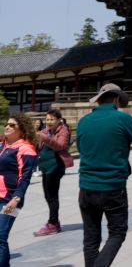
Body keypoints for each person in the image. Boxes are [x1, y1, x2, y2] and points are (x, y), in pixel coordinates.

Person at [77, 83, 132, 267]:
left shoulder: (84, 121)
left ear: (99, 99)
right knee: (117, 233)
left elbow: (81, 148)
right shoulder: (122, 119)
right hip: (112, 186)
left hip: (86, 187)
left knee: (91, 238)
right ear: (117, 99)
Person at [0, 113, 37, 267]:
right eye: (7, 124)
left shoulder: (26, 149)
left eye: (12, 125)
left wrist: (16, 198)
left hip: (11, 200)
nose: (8, 126)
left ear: (21, 129)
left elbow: (25, 178)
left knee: (0, 236)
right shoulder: (3, 146)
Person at [34, 108, 74, 237]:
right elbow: (39, 146)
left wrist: (44, 138)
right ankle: (54, 222)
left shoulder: (63, 131)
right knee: (48, 195)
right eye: (47, 119)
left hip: (56, 167)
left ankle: (53, 223)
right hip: (46, 167)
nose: (49, 122)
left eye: (52, 119)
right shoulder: (45, 131)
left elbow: (61, 146)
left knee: (52, 195)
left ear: (58, 120)